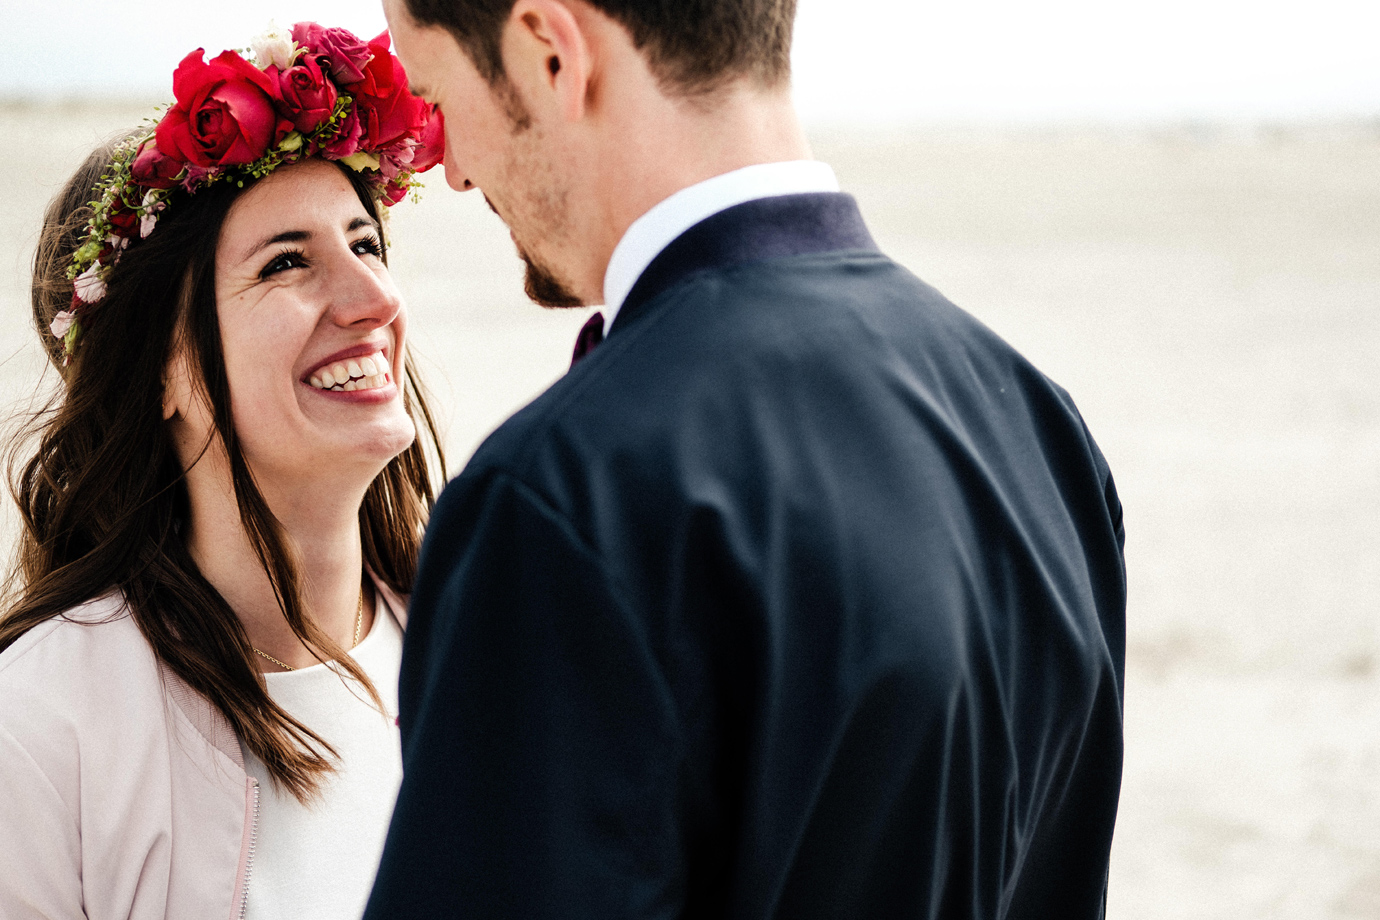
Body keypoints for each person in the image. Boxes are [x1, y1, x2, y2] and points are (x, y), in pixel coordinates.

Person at [367, 0, 1126, 917]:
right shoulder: (1040, 426)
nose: (449, 165)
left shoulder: (561, 497)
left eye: (436, 93)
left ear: (548, 52)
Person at [0, 22, 445, 920]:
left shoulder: (477, 643)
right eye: (288, 261)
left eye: (366, 245)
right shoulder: (41, 724)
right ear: (159, 369)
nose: (375, 300)